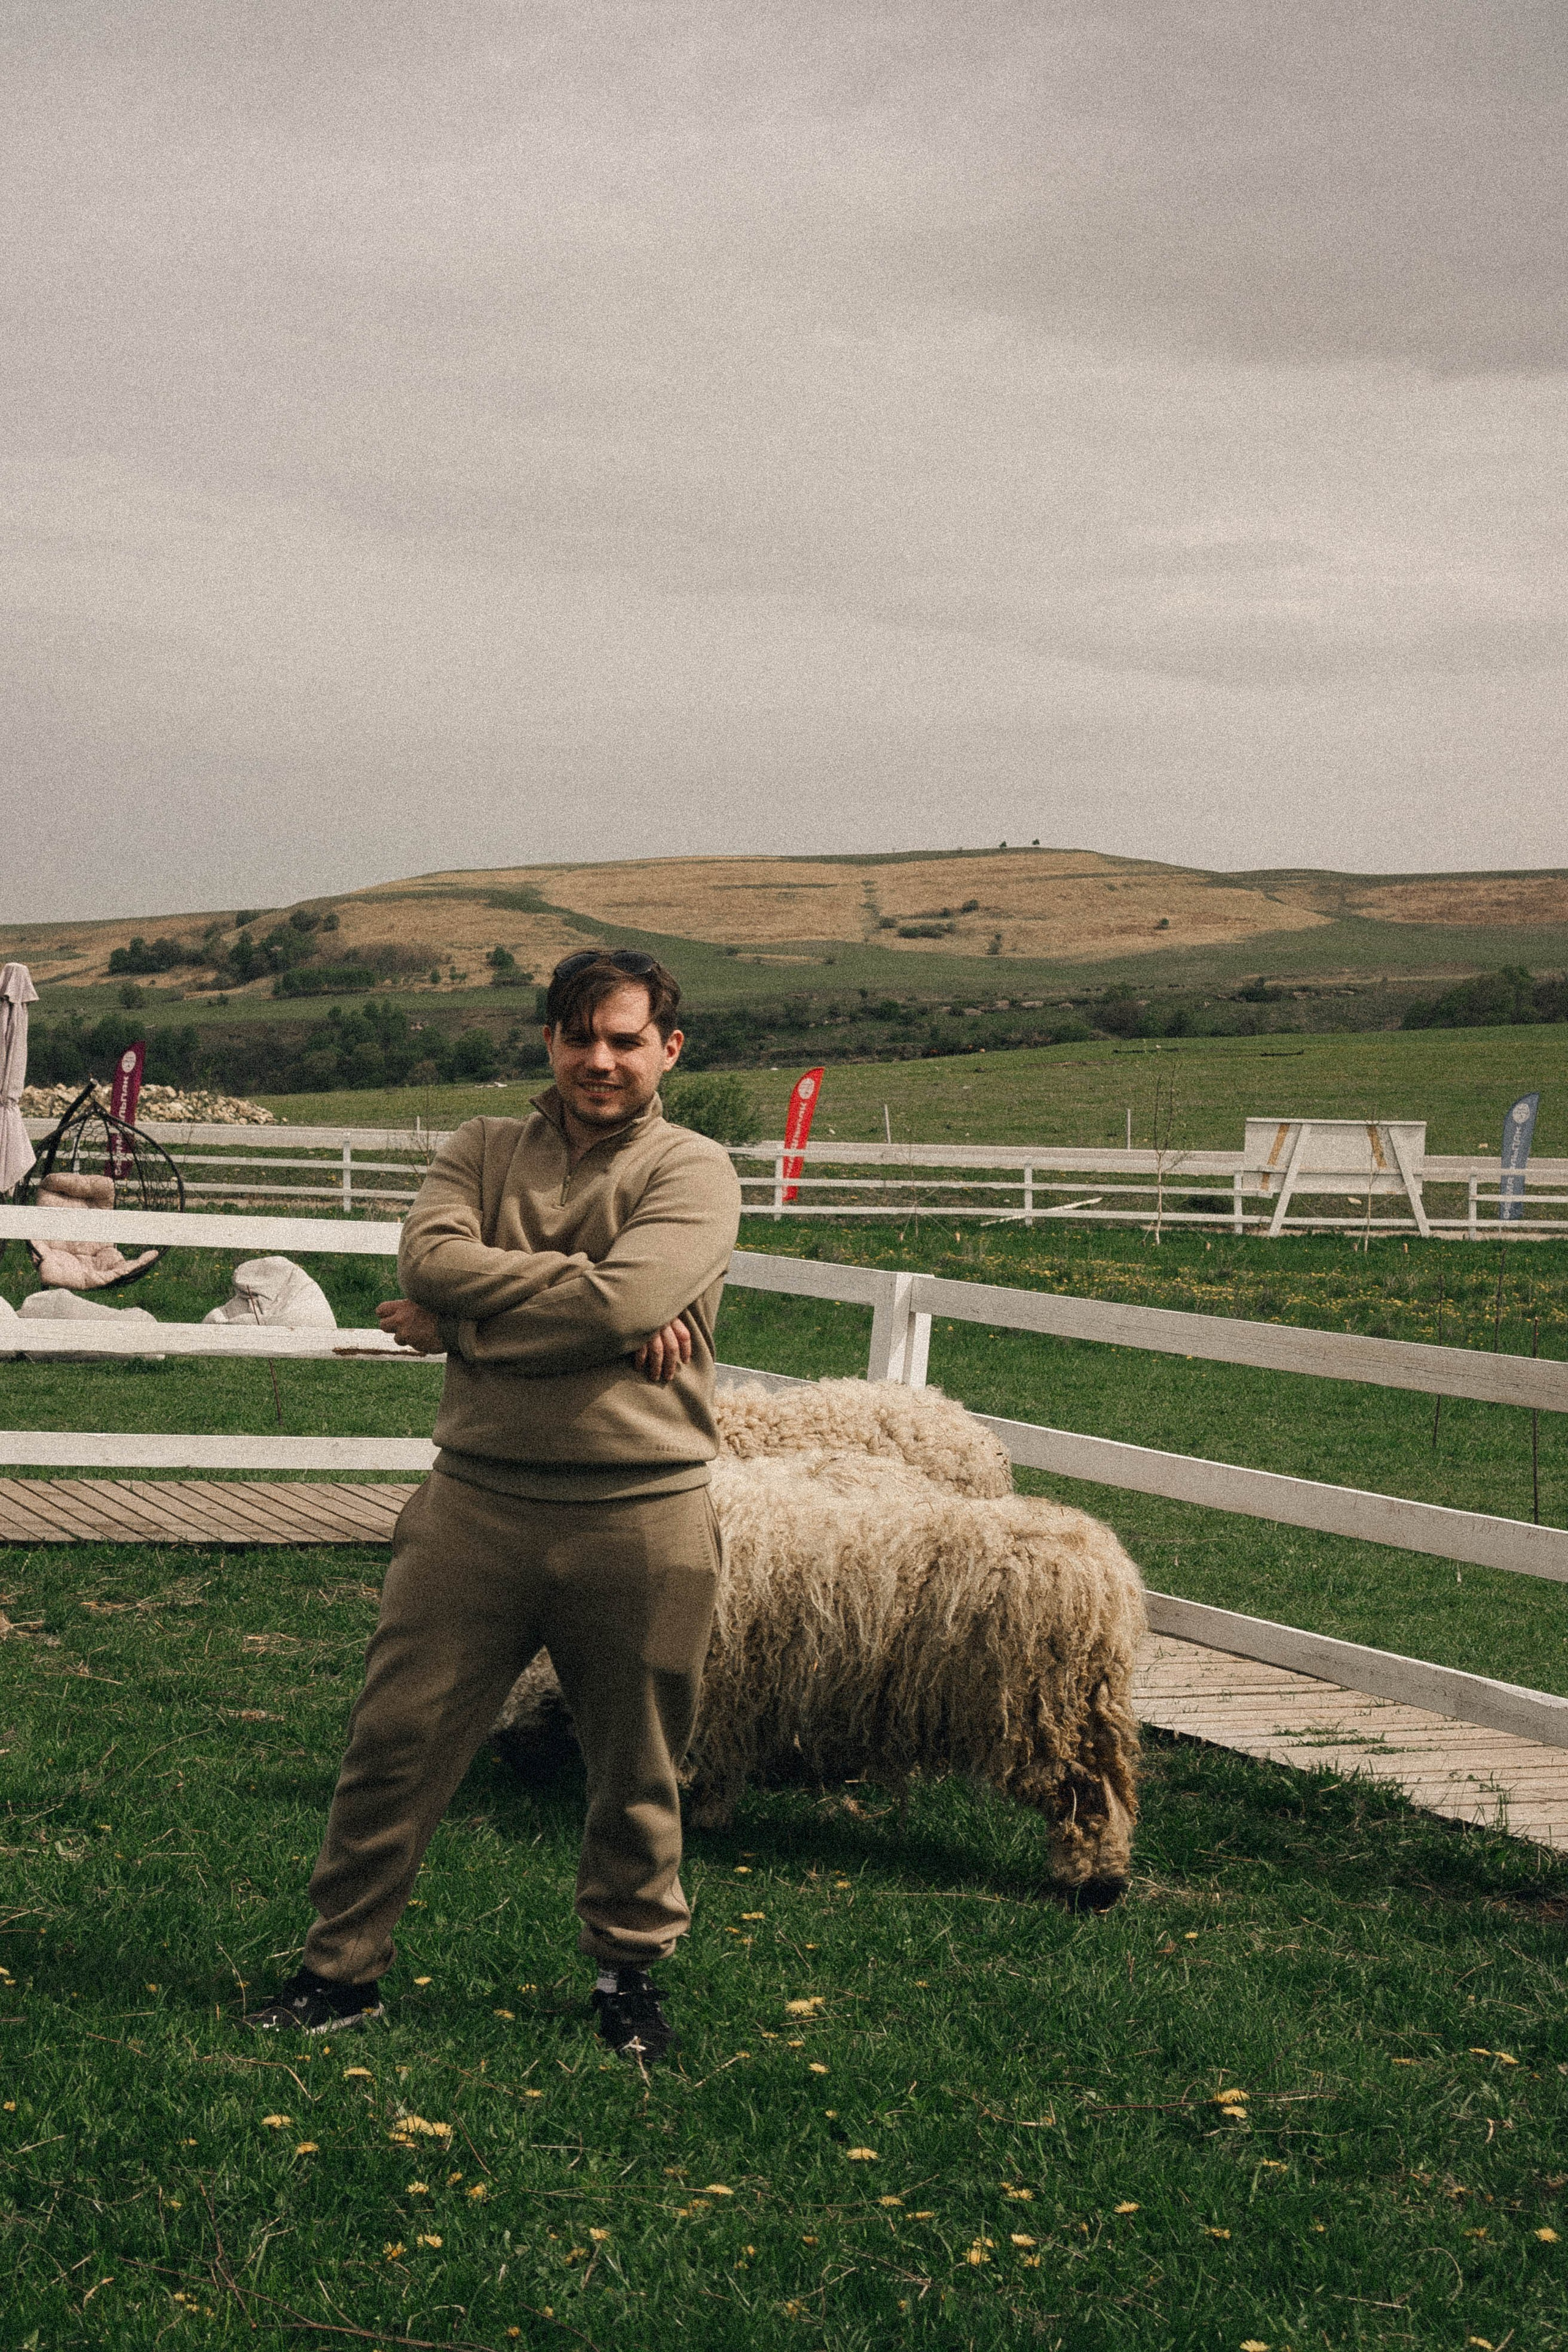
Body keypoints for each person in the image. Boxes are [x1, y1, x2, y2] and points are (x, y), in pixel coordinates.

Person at [244, 949, 741, 2066]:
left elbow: (635, 1292)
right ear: (549, 1042)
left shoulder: (694, 1168)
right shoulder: (480, 1148)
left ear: (670, 1048)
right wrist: (596, 1308)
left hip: (643, 1515)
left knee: (638, 1764)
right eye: (578, 1037)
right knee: (397, 1742)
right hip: (474, 1506)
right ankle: (340, 1972)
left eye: (624, 1040)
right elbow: (433, 1255)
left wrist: (463, 1323)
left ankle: (629, 1978)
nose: (598, 1060)